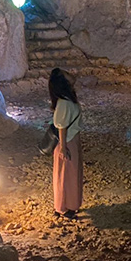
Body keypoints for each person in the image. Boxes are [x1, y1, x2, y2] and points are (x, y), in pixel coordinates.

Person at [49, 68, 83, 219]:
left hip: (70, 140)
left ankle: (67, 205)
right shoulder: (65, 102)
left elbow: (74, 79)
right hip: (67, 141)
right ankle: (64, 207)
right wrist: (63, 147)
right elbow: (61, 126)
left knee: (68, 174)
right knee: (66, 175)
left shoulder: (66, 99)